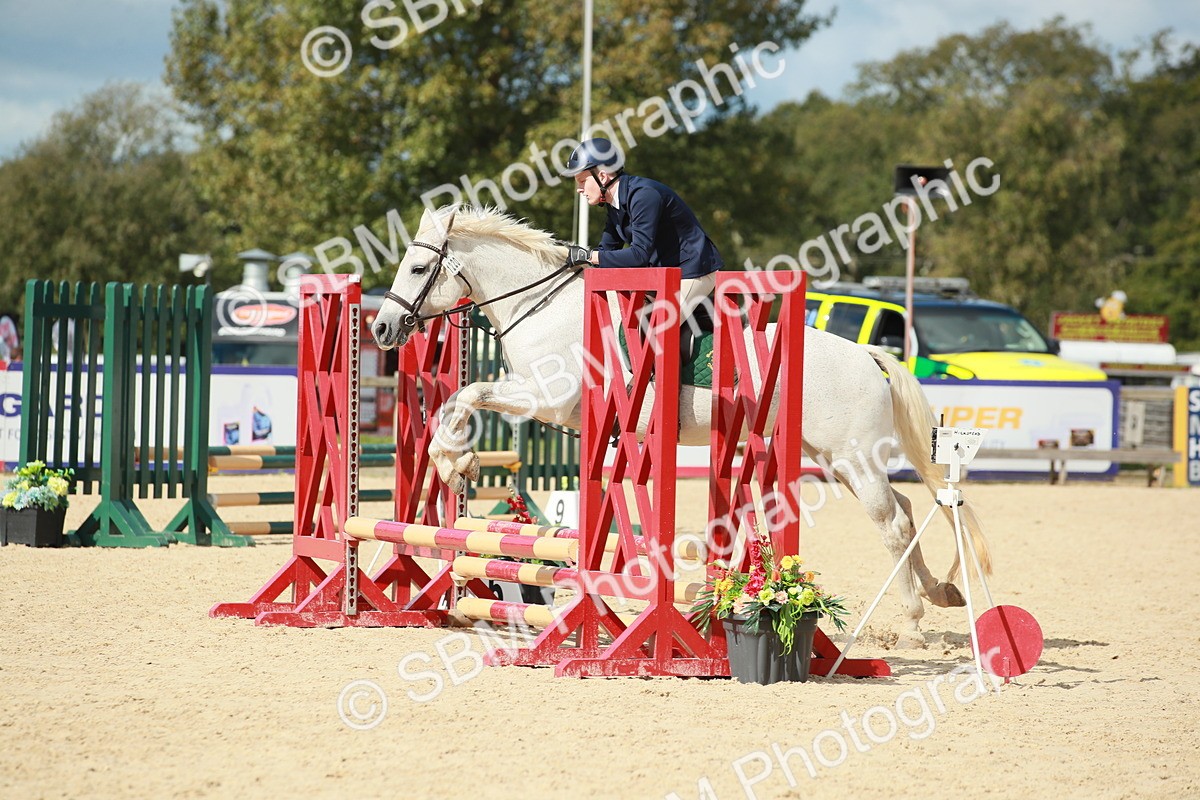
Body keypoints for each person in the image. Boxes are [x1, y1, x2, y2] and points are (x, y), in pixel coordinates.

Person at [561, 138, 722, 324]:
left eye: (582, 181)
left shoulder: (643, 195)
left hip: (693, 271)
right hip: (664, 274)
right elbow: (606, 252)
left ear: (603, 177)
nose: (579, 190)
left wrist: (589, 256)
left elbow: (639, 255)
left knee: (657, 327)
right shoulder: (615, 203)